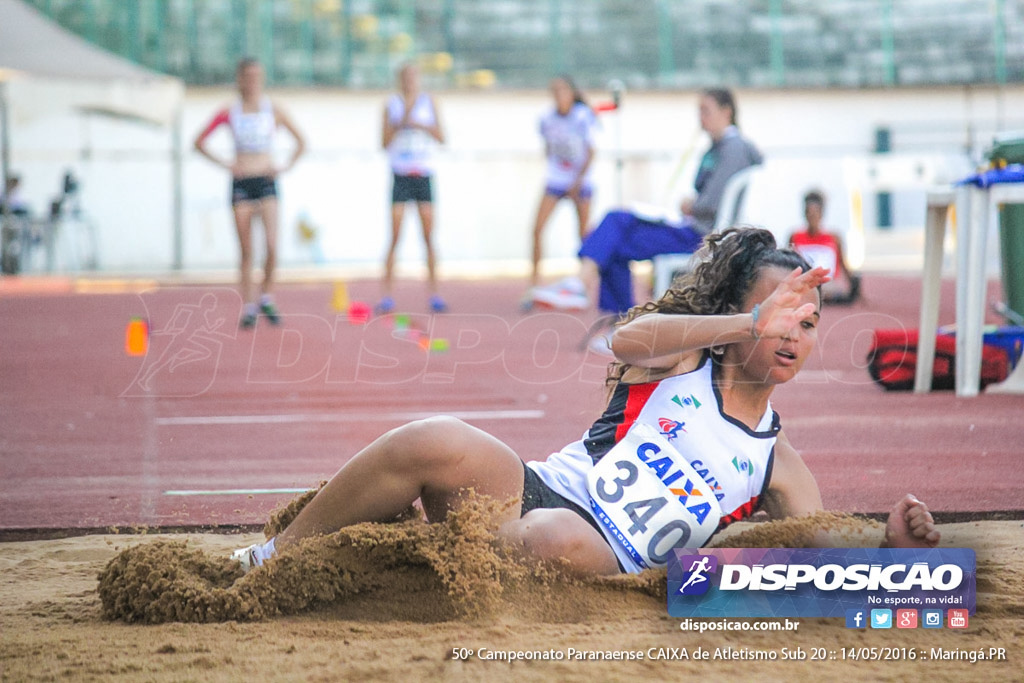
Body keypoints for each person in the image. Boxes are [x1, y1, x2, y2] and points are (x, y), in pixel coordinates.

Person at [233, 227, 940, 576]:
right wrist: (746, 324)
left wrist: (892, 552)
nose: (794, 333)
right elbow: (626, 339)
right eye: (781, 316)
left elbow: (816, 557)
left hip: (605, 562)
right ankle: (271, 560)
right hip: (538, 490)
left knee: (555, 538)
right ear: (736, 314)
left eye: (807, 323)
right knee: (435, 434)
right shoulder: (681, 358)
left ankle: (412, 559)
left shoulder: (777, 466)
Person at [531, 88, 762, 318]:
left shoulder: (733, 148)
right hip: (692, 228)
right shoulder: (719, 147)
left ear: (726, 111)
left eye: (706, 110)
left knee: (614, 229)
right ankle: (615, 317)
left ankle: (592, 294)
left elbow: (711, 203)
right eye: (699, 111)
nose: (700, 117)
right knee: (614, 235)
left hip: (700, 236)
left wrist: (691, 205)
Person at [194, 57, 305, 329]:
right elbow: (199, 142)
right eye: (248, 76)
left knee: (271, 246)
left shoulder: (273, 109)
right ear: (240, 79)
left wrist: (285, 166)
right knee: (246, 250)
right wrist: (226, 164)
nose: (253, 81)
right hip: (242, 182)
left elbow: (301, 142)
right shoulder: (229, 111)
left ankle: (266, 295)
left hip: (266, 181)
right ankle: (249, 305)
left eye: (258, 75)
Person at [377, 63, 447, 316]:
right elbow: (383, 142)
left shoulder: (429, 103)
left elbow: (442, 137)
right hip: (401, 174)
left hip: (423, 174)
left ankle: (435, 293)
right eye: (405, 77)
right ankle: (386, 295)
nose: (409, 81)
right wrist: (401, 122)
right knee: (394, 236)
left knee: (428, 236)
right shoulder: (391, 105)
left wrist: (421, 125)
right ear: (399, 80)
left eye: (413, 77)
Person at [528, 76, 598, 294]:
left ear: (572, 92)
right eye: (554, 90)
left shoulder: (583, 116)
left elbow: (591, 151)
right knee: (537, 228)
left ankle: (583, 284)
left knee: (584, 234)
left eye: (563, 90)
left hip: (581, 181)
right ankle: (534, 283)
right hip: (556, 179)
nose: (559, 95)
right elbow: (548, 147)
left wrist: (577, 181)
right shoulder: (546, 119)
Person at [789, 190, 861, 305]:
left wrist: (854, 285)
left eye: (815, 214)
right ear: (804, 214)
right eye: (809, 213)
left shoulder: (834, 238)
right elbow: (787, 263)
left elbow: (843, 264)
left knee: (825, 287)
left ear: (821, 214)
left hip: (827, 283)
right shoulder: (795, 236)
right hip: (804, 282)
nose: (812, 217)